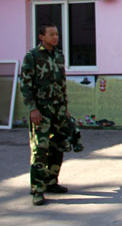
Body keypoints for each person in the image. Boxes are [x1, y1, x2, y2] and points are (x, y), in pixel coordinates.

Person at [20, 23, 70, 206]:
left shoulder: (58, 55)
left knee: (58, 146)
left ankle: (52, 182)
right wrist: (32, 108)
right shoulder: (32, 56)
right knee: (40, 149)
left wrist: (65, 107)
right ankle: (37, 189)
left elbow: (62, 83)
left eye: (56, 34)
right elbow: (25, 85)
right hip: (41, 111)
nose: (55, 37)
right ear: (41, 37)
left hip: (58, 109)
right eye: (51, 34)